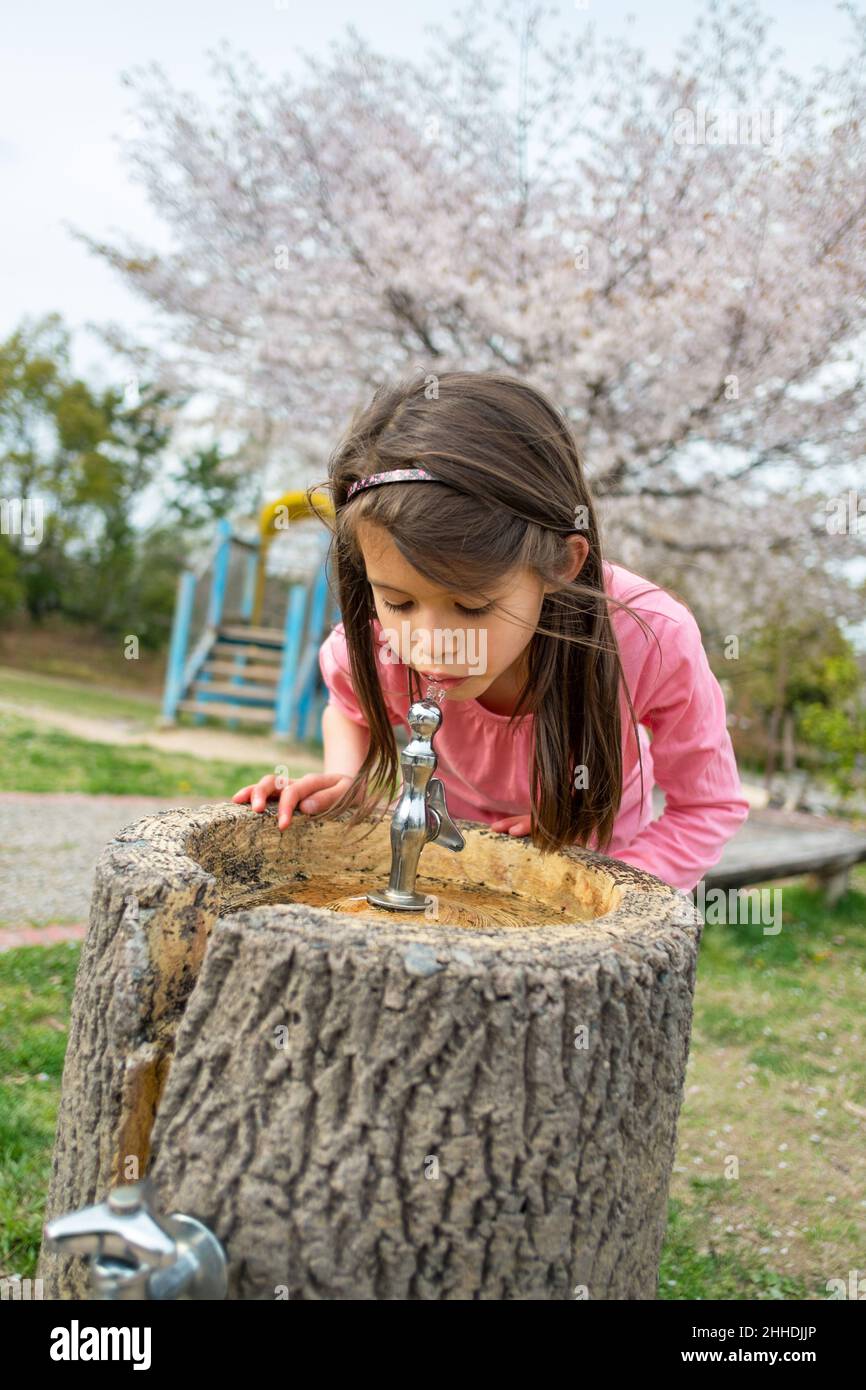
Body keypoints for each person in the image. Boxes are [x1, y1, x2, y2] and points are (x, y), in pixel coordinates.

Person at [233, 370, 750, 893]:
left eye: (473, 606)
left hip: (603, 855)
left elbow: (707, 805)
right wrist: (345, 779)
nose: (431, 643)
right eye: (398, 601)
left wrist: (598, 881)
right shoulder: (376, 643)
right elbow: (350, 708)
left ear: (562, 564)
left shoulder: (648, 640)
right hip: (453, 856)